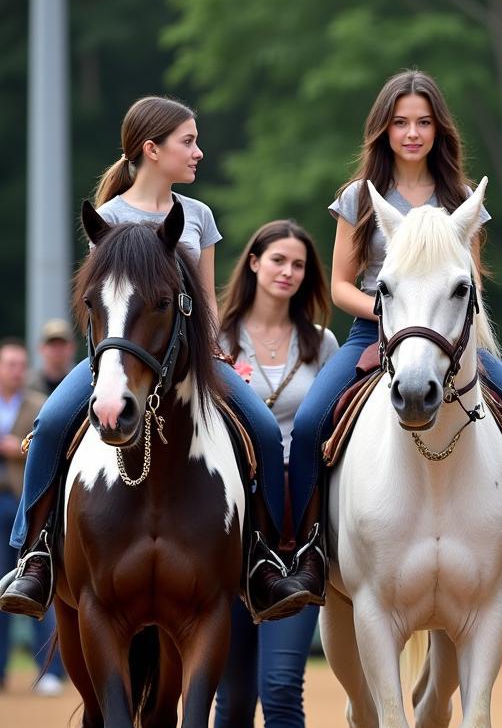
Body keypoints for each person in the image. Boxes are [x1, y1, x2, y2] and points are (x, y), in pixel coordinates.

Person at [0, 96, 308, 623]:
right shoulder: (109, 218)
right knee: (49, 424)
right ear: (151, 149)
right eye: (187, 141)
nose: (198, 152)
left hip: (193, 363)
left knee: (259, 425)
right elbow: (98, 307)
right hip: (120, 359)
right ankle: (34, 555)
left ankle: (266, 559)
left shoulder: (200, 217)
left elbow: (208, 303)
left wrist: (218, 352)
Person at [285, 69, 502, 605]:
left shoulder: (460, 197)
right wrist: (396, 320)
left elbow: (470, 284)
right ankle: (306, 552)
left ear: (439, 129)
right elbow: (340, 285)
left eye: (424, 122)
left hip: (452, 339)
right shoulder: (357, 197)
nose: (412, 133)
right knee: (314, 420)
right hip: (375, 331)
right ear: (383, 128)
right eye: (401, 122)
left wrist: (433, 327)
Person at [213, 219, 337, 728]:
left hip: (297, 537)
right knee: (231, 702)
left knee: (282, 689)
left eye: (298, 263)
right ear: (254, 263)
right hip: (229, 539)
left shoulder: (321, 347)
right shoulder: (215, 342)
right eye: (277, 260)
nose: (287, 272)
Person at [0, 340, 66, 694]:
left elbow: (46, 453)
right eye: (8, 363)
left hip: (23, 503)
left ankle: (51, 671)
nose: (14, 370)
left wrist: (16, 447)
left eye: (19, 364)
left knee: (38, 578)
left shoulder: (40, 405)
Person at [28, 319, 77, 396]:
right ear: (41, 348)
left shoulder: (80, 383)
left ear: (72, 348)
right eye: (52, 344)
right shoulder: (26, 386)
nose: (57, 350)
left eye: (62, 344)